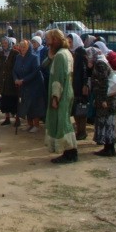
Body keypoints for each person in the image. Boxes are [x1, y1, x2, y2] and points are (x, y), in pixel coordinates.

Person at [43, 29, 78, 164]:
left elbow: (58, 79)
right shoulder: (66, 53)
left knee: (62, 123)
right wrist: (50, 56)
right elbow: (44, 65)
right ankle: (70, 152)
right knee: (64, 122)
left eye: (49, 40)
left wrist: (55, 97)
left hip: (61, 94)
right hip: (67, 91)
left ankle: (70, 153)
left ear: (55, 40)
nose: (47, 43)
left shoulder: (60, 56)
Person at [86, 46, 116, 156]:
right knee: (107, 122)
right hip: (107, 98)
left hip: (106, 99)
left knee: (106, 122)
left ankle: (109, 148)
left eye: (88, 56)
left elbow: (103, 82)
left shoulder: (100, 64)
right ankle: (108, 147)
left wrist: (103, 99)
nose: (87, 58)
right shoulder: (101, 62)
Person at [13, 40, 46, 133]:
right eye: (21, 47)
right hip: (23, 86)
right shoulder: (18, 57)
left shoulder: (34, 57)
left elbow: (35, 72)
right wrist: (16, 79)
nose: (22, 48)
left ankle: (36, 125)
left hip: (34, 85)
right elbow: (14, 70)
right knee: (25, 104)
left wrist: (23, 80)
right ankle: (29, 124)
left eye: (24, 47)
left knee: (34, 105)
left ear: (28, 47)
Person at [0, 36, 19, 126]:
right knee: (5, 100)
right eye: (3, 43)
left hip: (12, 82)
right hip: (3, 82)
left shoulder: (15, 53)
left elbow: (17, 68)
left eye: (6, 43)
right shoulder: (0, 54)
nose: (4, 45)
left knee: (14, 100)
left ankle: (17, 119)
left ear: (9, 44)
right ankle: (7, 118)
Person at [68, 33, 89, 140]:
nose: (69, 44)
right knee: (75, 109)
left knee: (81, 109)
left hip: (80, 84)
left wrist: (85, 84)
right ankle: (79, 131)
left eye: (70, 42)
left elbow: (85, 70)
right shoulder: (71, 52)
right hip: (74, 84)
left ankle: (82, 131)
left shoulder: (81, 52)